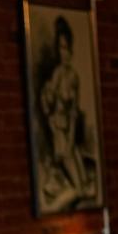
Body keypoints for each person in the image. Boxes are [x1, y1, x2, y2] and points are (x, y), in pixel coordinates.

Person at [40, 16, 92, 204]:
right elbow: (48, 98)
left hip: (67, 128)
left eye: (66, 47)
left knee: (81, 180)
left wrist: (71, 135)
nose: (64, 53)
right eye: (60, 48)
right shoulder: (57, 75)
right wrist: (50, 116)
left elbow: (73, 111)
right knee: (76, 182)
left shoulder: (73, 77)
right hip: (57, 127)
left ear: (71, 49)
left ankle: (66, 192)